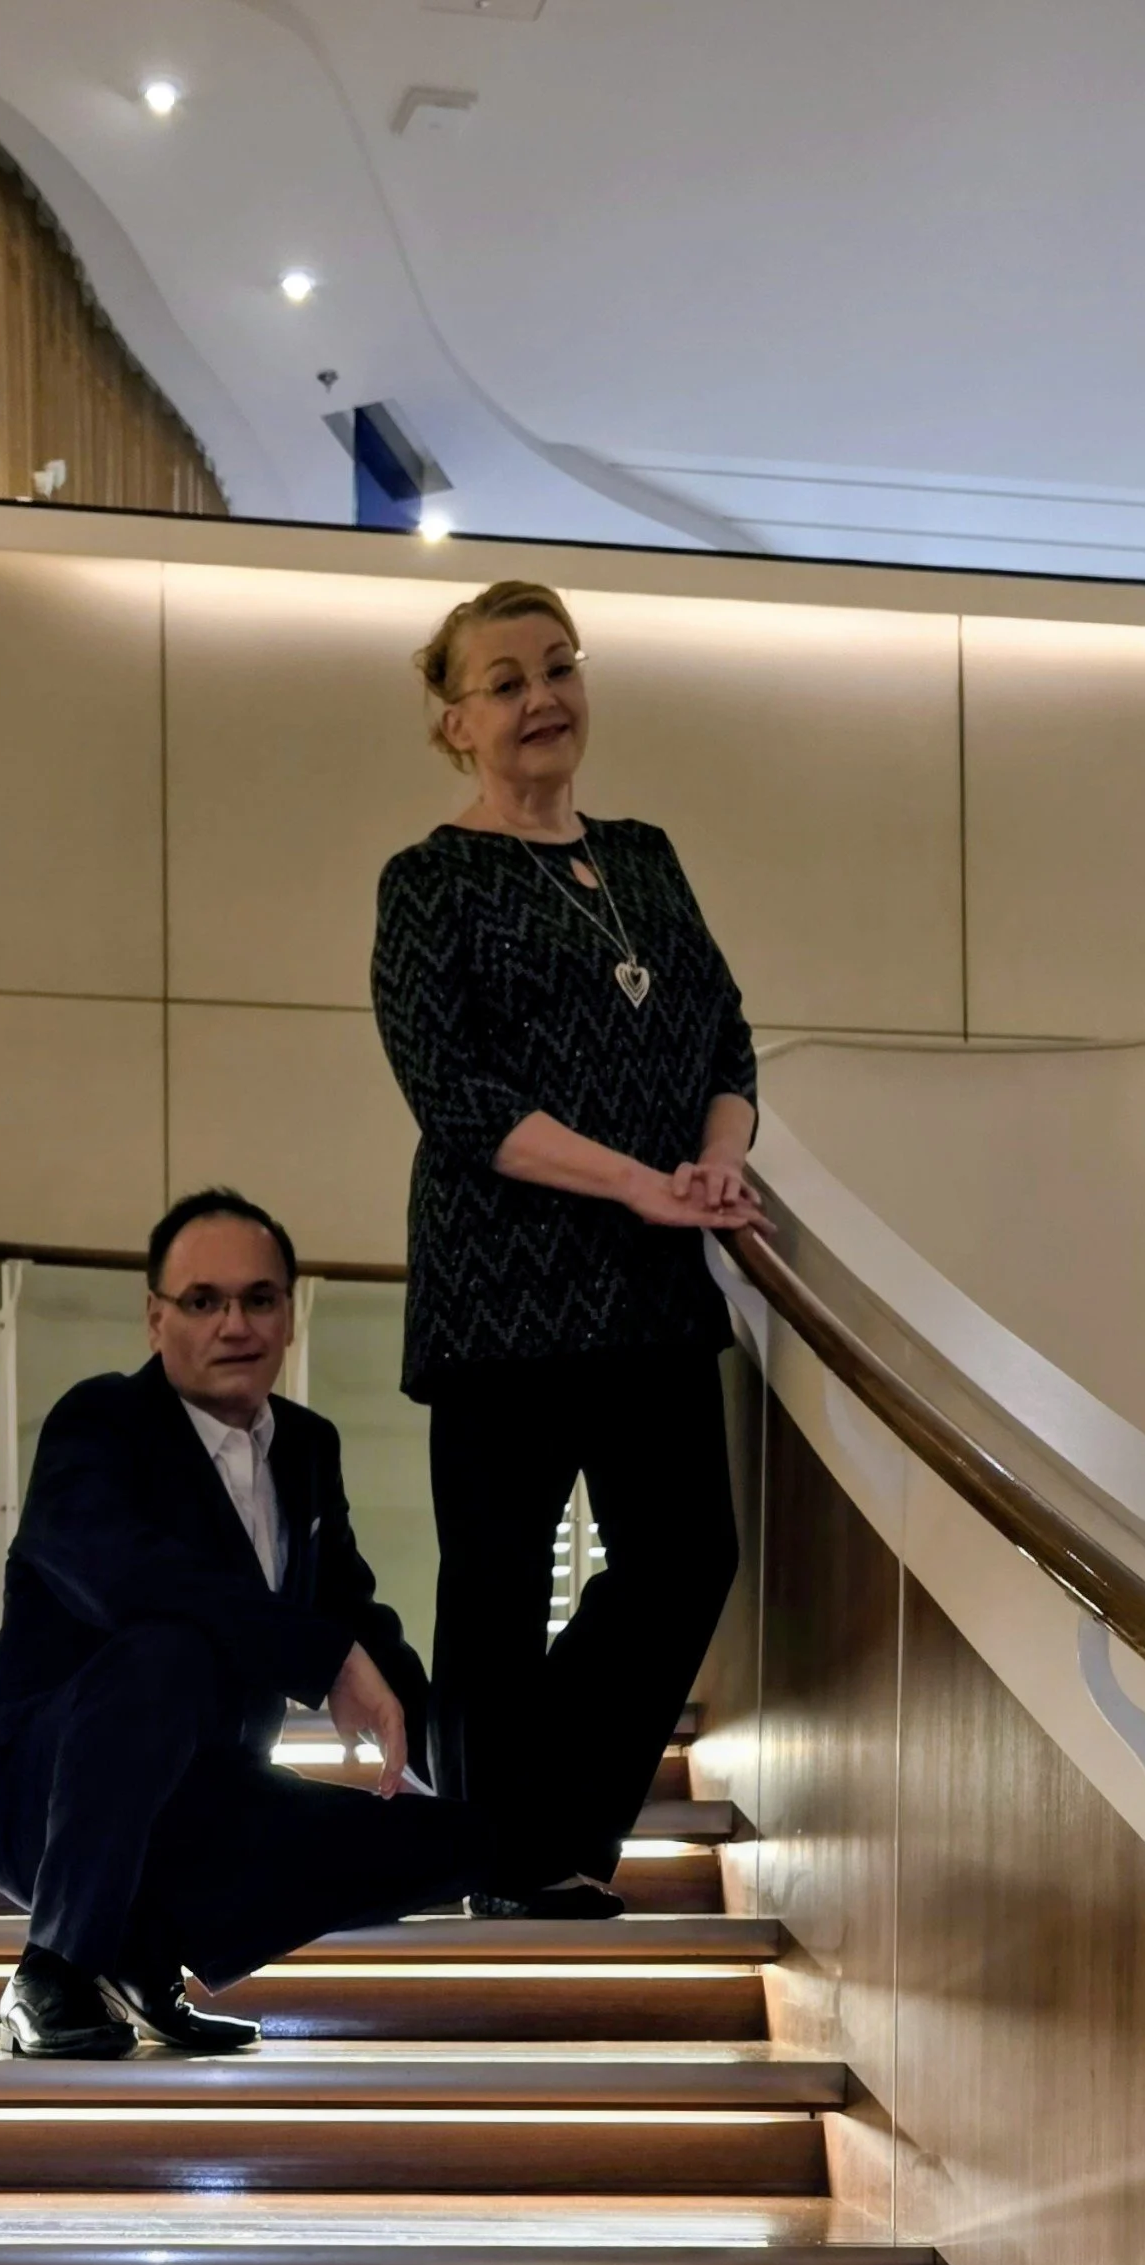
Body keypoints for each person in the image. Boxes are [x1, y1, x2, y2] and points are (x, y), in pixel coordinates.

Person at [0, 1189, 558, 2061]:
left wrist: (430, 1758)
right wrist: (323, 1656)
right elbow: (126, 1576)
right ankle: (52, 1970)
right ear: (155, 1319)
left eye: (259, 1299)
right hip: (45, 1790)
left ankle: (141, 1961)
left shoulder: (306, 1447)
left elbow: (351, 1609)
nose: (236, 1323)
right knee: (168, 1647)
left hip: (202, 1799)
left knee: (463, 1840)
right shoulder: (100, 1422)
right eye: (203, 1301)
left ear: (289, 1315)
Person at [371, 577, 767, 1918]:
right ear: (455, 723)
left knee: (685, 1557)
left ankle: (544, 1831)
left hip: (651, 1290)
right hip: (500, 1296)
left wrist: (717, 1156)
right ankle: (502, 1860)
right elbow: (458, 1097)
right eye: (505, 681)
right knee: (494, 1588)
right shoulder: (430, 880)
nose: (542, 698)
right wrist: (639, 1185)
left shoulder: (646, 855)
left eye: (559, 667)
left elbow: (724, 1039)